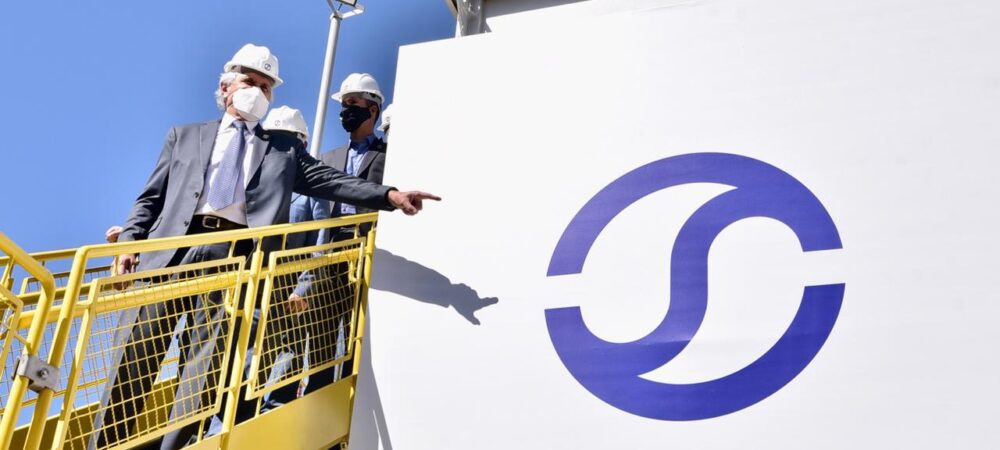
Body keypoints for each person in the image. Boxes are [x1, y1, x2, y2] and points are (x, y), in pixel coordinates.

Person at [91, 45, 439, 450]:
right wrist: (129, 243)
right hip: (170, 255)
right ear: (225, 87)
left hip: (234, 263)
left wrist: (389, 195)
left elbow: (332, 181)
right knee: (132, 363)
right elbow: (150, 199)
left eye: (266, 87)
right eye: (250, 82)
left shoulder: (283, 150)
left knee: (203, 376)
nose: (257, 91)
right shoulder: (184, 136)